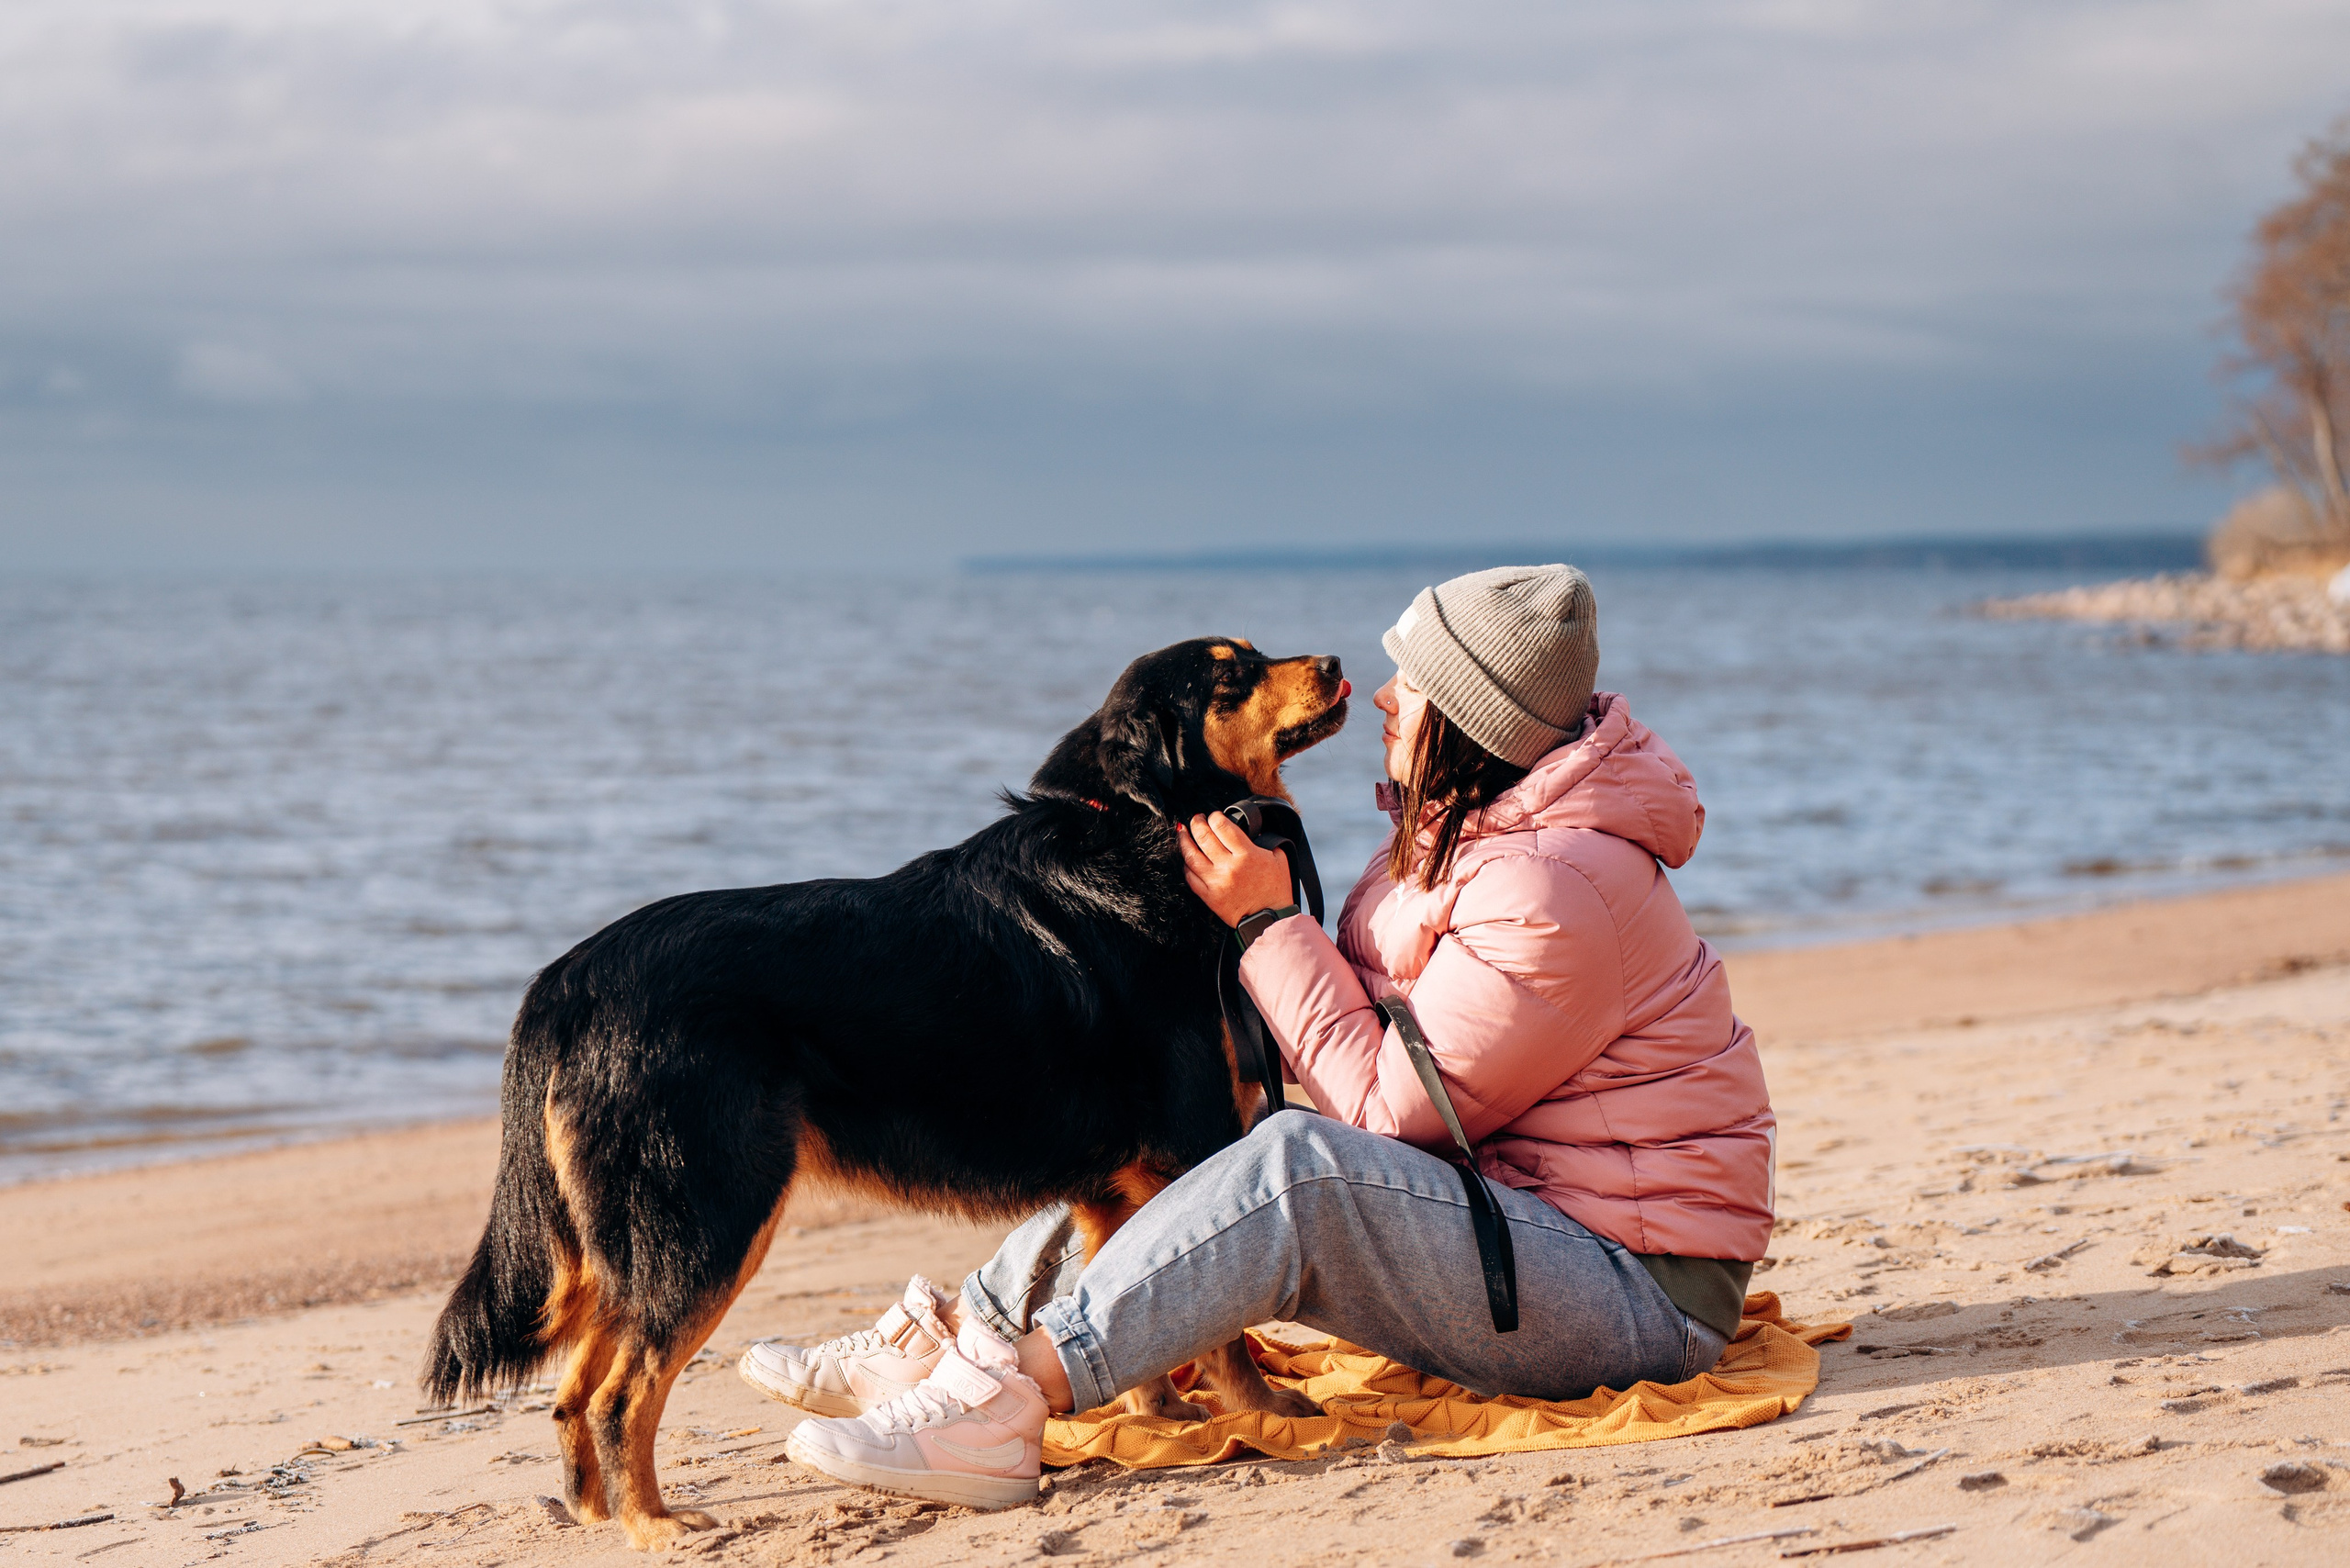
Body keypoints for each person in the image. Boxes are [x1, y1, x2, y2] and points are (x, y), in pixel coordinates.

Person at [744, 565, 1775, 1510]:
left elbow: (1389, 1113)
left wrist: (1266, 922)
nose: (1375, 694)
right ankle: (964, 1329)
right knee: (1150, 1145)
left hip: (1632, 1291)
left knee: (1290, 1166)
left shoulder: (1552, 884)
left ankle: (1004, 1401)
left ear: (1467, 716)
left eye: (1407, 681)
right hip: (1525, 1225)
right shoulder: (1465, 835)